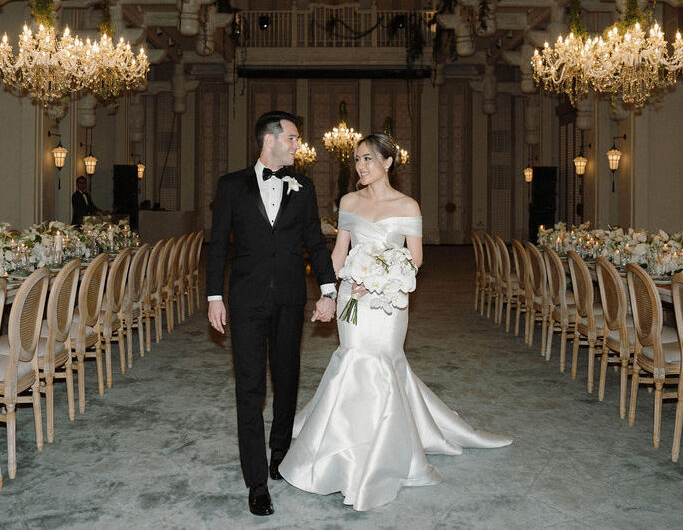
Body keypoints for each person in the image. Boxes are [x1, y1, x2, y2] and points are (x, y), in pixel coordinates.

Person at [279, 133, 512, 511]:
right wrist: (328, 293)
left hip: (389, 302)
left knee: (383, 364)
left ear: (389, 162)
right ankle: (343, 447)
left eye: (369, 159)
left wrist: (382, 282)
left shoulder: (408, 206)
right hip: (352, 300)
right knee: (352, 358)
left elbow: (415, 259)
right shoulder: (349, 202)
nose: (360, 166)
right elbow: (339, 254)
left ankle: (382, 453)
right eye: (357, 160)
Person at [206, 111, 337, 517]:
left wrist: (329, 289)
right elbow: (217, 246)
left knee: (286, 378)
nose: (299, 145)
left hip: (290, 299)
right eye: (293, 138)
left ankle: (280, 454)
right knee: (249, 388)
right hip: (245, 300)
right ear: (270, 141)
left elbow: (315, 241)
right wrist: (214, 296)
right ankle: (257, 481)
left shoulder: (305, 187)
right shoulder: (231, 186)